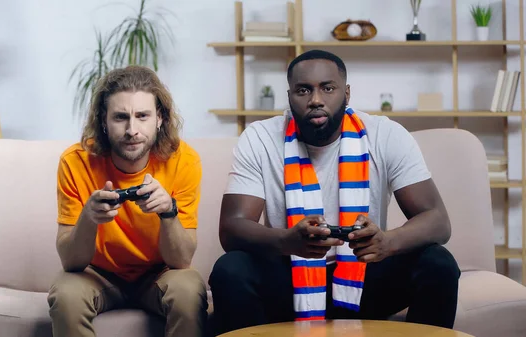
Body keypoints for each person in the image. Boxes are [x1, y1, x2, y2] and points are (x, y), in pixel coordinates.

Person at [209, 49, 460, 335]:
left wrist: (387, 242)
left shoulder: (385, 134)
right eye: (303, 90)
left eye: (328, 88)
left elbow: (438, 220)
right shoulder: (260, 138)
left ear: (347, 93)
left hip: (363, 277)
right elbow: (231, 230)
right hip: (290, 278)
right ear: (289, 97)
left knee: (438, 264)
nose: (316, 100)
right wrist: (287, 241)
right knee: (230, 269)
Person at [47, 65, 207, 337]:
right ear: (104, 122)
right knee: (66, 295)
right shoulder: (76, 162)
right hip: (97, 274)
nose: (132, 130)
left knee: (188, 289)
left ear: (159, 118)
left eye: (142, 116)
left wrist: (168, 211)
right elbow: (71, 263)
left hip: (160, 273)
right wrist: (89, 217)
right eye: (120, 117)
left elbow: (181, 261)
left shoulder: (184, 161)